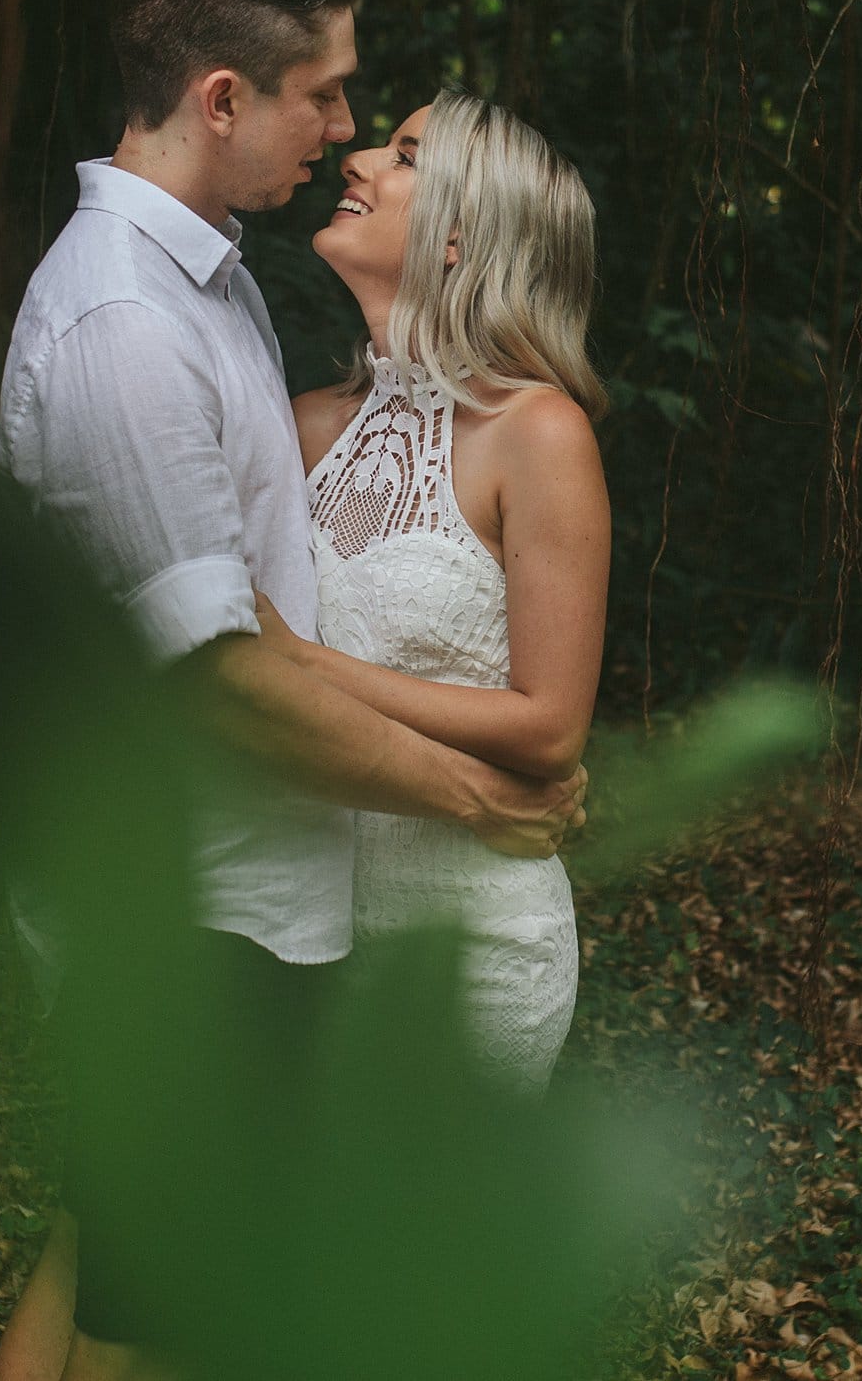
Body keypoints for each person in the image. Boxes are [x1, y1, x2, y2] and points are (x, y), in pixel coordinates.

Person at [0, 0, 586, 1381]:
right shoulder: (136, 325)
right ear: (218, 98)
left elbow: (287, 637)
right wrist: (462, 791)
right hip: (202, 910)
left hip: (297, 915)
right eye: (328, 98)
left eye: (376, 126)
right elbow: (222, 677)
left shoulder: (226, 294)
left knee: (130, 1275)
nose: (343, 135)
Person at [262, 92, 610, 1091]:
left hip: (473, 950)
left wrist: (299, 660)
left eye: (405, 154)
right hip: (300, 937)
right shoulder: (300, 425)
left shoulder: (538, 434)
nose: (358, 157)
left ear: (462, 231)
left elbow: (547, 730)